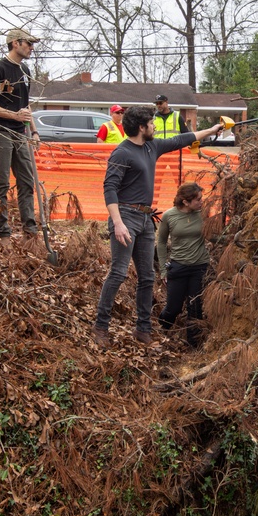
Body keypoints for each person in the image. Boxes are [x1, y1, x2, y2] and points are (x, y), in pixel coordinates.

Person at [92, 106, 223, 348]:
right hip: (125, 216)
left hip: (144, 218)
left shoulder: (152, 147)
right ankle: (101, 327)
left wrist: (211, 130)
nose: (154, 126)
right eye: (151, 124)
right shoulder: (122, 153)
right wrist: (118, 223)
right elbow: (109, 188)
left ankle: (143, 330)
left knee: (147, 276)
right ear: (141, 128)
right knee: (119, 272)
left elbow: (180, 139)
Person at [0, 28, 41, 248]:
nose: (32, 47)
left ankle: (30, 234)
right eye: (29, 43)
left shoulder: (25, 70)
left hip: (20, 132)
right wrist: (12, 115)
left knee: (26, 181)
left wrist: (33, 130)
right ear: (15, 43)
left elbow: (26, 104)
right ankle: (3, 234)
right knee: (2, 183)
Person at [156, 182, 210, 347]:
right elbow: (161, 242)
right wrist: (163, 270)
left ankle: (193, 346)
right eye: (197, 199)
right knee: (173, 308)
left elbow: (214, 233)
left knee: (195, 308)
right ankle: (161, 333)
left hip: (199, 268)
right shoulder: (169, 216)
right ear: (185, 202)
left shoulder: (203, 214)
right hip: (178, 267)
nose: (201, 202)